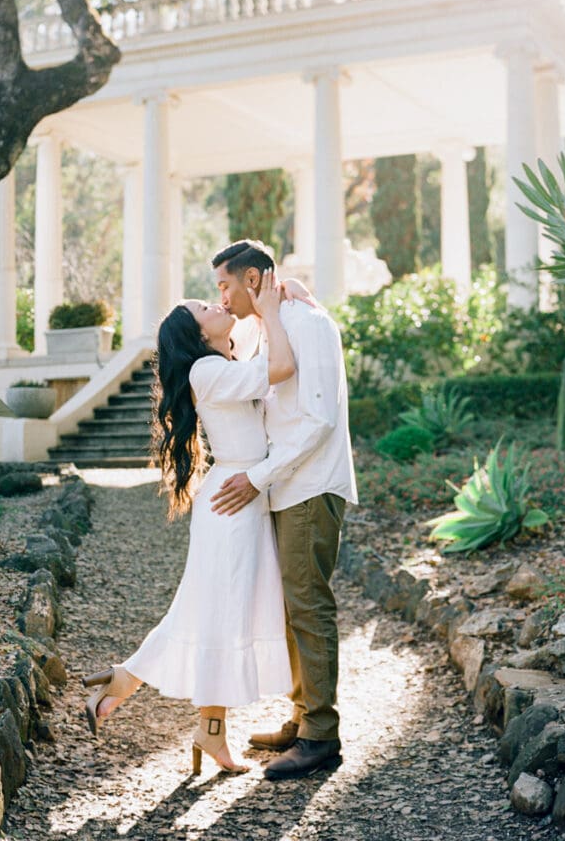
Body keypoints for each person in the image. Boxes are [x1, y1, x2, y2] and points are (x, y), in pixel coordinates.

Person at [82, 271, 296, 774]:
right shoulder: (208, 372)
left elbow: (254, 339)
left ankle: (188, 717)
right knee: (218, 614)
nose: (219, 305)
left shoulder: (222, 363)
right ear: (196, 335)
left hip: (237, 497)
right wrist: (274, 310)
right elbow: (283, 364)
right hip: (232, 503)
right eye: (206, 308)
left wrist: (275, 302)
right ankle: (138, 686)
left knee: (215, 613)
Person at [210, 239, 358, 781]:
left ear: (252, 280)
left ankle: (322, 735)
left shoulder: (309, 324)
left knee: (309, 605)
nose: (220, 298)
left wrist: (255, 478)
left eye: (224, 285)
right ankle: (302, 717)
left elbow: (317, 421)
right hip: (282, 487)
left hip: (310, 486)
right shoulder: (260, 324)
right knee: (291, 606)